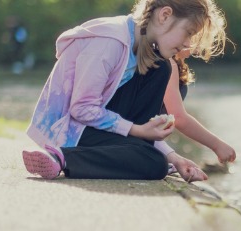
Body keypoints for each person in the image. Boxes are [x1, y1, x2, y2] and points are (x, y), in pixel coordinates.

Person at [23, 0, 227, 182]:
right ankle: (62, 157)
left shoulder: (139, 47)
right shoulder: (110, 41)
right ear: (164, 15)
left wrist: (174, 157)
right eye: (189, 33)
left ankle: (138, 157)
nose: (187, 44)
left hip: (94, 126)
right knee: (155, 164)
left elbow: (139, 129)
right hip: (68, 129)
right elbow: (81, 109)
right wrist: (138, 130)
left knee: (161, 69)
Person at [161, 49, 236, 166]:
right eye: (190, 35)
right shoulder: (169, 64)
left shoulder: (176, 63)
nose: (190, 43)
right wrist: (217, 145)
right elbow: (178, 117)